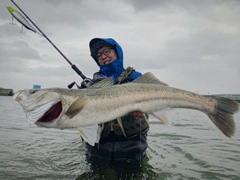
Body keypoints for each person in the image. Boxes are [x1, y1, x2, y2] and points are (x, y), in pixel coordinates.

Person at [81, 38, 149, 164]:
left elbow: (149, 107)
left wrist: (143, 112)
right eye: (99, 55)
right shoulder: (93, 85)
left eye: (106, 51)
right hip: (98, 148)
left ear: (117, 51)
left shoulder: (136, 78)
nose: (103, 57)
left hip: (132, 147)